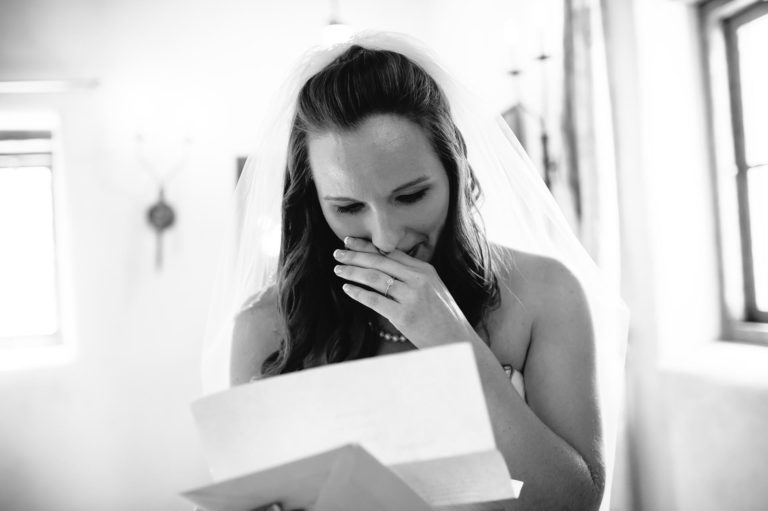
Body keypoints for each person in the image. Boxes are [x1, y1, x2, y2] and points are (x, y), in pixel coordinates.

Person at [202, 32, 627, 511]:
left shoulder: (546, 293)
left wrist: (455, 344)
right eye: (347, 206)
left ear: (457, 171)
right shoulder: (267, 326)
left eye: (410, 196)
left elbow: (577, 503)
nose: (386, 237)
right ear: (313, 203)